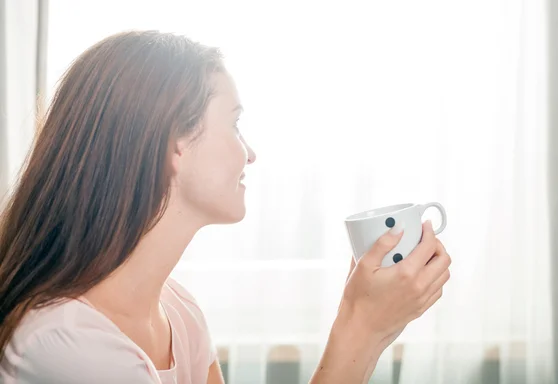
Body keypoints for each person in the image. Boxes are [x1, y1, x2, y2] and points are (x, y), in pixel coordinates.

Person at [0, 31, 451, 384]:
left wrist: (374, 326)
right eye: (235, 125)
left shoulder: (177, 310)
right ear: (173, 144)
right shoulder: (70, 347)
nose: (249, 153)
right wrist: (361, 328)